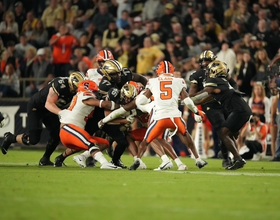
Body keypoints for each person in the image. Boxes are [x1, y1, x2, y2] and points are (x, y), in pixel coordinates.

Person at [124, 60, 207, 170]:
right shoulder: (179, 81)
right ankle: (198, 159)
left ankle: (138, 160)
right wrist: (197, 112)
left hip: (160, 117)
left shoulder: (152, 82)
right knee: (186, 136)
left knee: (146, 141)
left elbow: (141, 101)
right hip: (175, 117)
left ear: (159, 71)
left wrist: (152, 102)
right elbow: (187, 101)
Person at [0, 71, 85, 166]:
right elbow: (48, 104)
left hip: (50, 110)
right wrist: (61, 112)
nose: (79, 90)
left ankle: (45, 159)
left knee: (57, 134)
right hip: (37, 107)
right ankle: (11, 138)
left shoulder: (78, 90)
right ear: (72, 84)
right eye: (77, 88)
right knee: (33, 139)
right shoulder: (60, 85)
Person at [191, 60, 252, 170]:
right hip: (241, 110)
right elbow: (205, 98)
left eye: (210, 70)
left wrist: (182, 101)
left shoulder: (214, 81)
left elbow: (198, 97)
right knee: (230, 133)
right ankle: (230, 155)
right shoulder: (222, 82)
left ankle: (237, 158)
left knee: (224, 133)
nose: (208, 72)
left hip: (239, 111)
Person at [55, 80, 121, 169]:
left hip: (74, 131)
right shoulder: (84, 95)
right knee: (89, 143)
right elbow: (104, 104)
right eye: (94, 91)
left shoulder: (79, 95)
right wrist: (122, 107)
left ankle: (65, 158)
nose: (96, 93)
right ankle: (104, 163)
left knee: (104, 143)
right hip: (69, 129)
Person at [189, 50, 234, 167]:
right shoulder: (198, 75)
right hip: (210, 105)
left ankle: (224, 152)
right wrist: (206, 93)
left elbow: (233, 84)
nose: (205, 63)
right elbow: (192, 95)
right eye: (203, 61)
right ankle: (226, 157)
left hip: (224, 103)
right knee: (222, 128)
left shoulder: (220, 70)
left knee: (230, 130)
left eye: (208, 60)